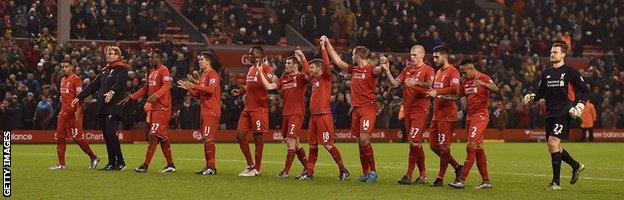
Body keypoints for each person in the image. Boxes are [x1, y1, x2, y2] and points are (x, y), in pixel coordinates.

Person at [522, 42, 587, 190]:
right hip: (550, 113)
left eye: (555, 52)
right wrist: (531, 96)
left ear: (563, 55)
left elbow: (586, 91)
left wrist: (580, 105)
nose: (552, 54)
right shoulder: (546, 73)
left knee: (552, 143)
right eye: (551, 52)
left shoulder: (571, 72)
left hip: (564, 112)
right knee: (553, 147)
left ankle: (556, 183)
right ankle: (576, 166)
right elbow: (540, 93)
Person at [325, 36, 386, 183]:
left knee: (365, 138)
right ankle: (365, 173)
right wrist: (328, 45)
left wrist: (383, 65)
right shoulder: (354, 70)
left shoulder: (371, 69)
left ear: (358, 56)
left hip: (368, 108)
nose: (351, 56)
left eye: (353, 54)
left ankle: (373, 172)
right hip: (357, 110)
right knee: (359, 141)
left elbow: (379, 70)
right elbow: (338, 62)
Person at [297, 37, 349, 181]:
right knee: (313, 146)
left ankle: (343, 170)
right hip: (314, 117)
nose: (309, 70)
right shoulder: (315, 80)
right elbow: (307, 69)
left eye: (313, 68)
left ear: (319, 69)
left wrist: (323, 48)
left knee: (327, 145)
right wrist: (302, 57)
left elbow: (326, 64)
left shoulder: (326, 77)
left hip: (324, 116)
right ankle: (309, 172)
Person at [383, 45, 434, 185]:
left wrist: (416, 82)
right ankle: (423, 175)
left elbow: (430, 85)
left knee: (413, 141)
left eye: (415, 55)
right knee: (415, 143)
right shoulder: (407, 70)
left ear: (422, 55)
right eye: (411, 54)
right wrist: (387, 70)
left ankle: (409, 175)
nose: (412, 57)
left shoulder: (428, 70)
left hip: (421, 110)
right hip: (408, 110)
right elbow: (394, 84)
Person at [74, 46, 128, 171]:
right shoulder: (104, 70)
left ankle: (120, 162)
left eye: (111, 53)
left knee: (110, 132)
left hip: (114, 106)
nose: (108, 55)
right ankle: (111, 163)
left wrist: (112, 92)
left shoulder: (121, 68)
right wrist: (79, 97)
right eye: (107, 53)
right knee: (106, 135)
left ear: (117, 56)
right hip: (103, 106)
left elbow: (119, 83)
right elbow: (93, 85)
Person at [120, 50, 175, 173]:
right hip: (154, 109)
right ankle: (170, 164)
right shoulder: (152, 72)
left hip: (163, 108)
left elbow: (167, 85)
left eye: (153, 57)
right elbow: (146, 88)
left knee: (153, 135)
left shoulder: (163, 70)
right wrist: (132, 97)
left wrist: (156, 95)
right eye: (150, 57)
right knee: (162, 137)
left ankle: (145, 165)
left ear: (160, 58)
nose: (150, 59)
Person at [255, 51, 308, 178]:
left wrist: (302, 58)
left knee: (290, 139)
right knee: (295, 142)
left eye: (289, 63)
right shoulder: (283, 79)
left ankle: (285, 172)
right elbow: (268, 87)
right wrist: (260, 71)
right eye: (286, 63)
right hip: (285, 115)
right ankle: (308, 169)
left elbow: (309, 74)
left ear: (295, 65)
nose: (286, 65)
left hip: (297, 113)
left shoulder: (301, 77)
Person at [447, 61, 498, 189]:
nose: (463, 75)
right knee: (478, 147)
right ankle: (486, 182)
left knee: (471, 146)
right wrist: (441, 96)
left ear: (471, 69)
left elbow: (495, 88)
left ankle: (461, 180)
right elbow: (458, 96)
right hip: (470, 117)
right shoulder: (466, 82)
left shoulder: (483, 77)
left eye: (464, 72)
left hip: (480, 116)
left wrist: (484, 84)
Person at [230, 46, 274, 177]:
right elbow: (250, 85)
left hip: (259, 109)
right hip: (247, 108)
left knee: (258, 137)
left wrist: (261, 71)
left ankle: (257, 168)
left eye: (251, 54)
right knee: (239, 135)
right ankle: (250, 165)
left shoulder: (267, 68)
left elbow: (269, 83)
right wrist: (241, 90)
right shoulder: (250, 69)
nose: (248, 56)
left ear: (259, 56)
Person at [49, 58, 99, 170]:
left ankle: (94, 157)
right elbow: (63, 96)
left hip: (74, 114)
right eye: (62, 67)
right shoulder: (62, 80)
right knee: (60, 138)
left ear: (71, 67)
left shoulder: (76, 80)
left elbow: (80, 97)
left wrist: (78, 111)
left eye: (66, 66)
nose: (64, 69)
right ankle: (61, 164)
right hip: (63, 114)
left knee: (77, 138)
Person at [178, 51, 221, 175]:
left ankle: (212, 168)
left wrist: (194, 85)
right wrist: (189, 88)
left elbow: (211, 90)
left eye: (201, 59)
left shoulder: (212, 74)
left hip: (211, 111)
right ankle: (208, 166)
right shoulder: (203, 76)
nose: (199, 61)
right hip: (204, 111)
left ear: (208, 61)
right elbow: (198, 95)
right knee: (206, 139)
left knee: (209, 139)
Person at [425, 46, 463, 187]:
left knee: (444, 148)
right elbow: (437, 92)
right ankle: (458, 167)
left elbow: (455, 88)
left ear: (445, 57)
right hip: (436, 115)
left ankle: (440, 178)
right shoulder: (438, 72)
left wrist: (437, 91)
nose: (434, 59)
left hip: (447, 116)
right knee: (434, 146)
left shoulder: (453, 71)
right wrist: (431, 94)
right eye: (433, 57)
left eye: (437, 57)